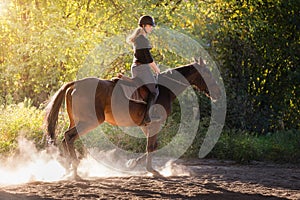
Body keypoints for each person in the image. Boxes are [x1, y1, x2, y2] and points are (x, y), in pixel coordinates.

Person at [127, 15, 160, 124]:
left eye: (151, 26)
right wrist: (157, 70)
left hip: (137, 67)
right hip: (142, 68)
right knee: (155, 91)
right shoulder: (142, 39)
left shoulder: (139, 39)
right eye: (150, 25)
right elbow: (148, 58)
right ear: (144, 26)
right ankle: (147, 117)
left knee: (148, 89)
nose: (151, 28)